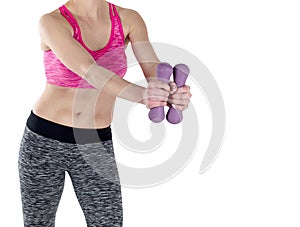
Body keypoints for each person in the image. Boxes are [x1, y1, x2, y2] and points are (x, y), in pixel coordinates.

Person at [18, 0, 192, 226]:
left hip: (96, 143)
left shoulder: (129, 19)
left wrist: (171, 93)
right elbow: (90, 71)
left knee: (107, 222)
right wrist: (144, 96)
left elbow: (154, 71)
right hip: (44, 141)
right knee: (38, 224)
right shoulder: (52, 22)